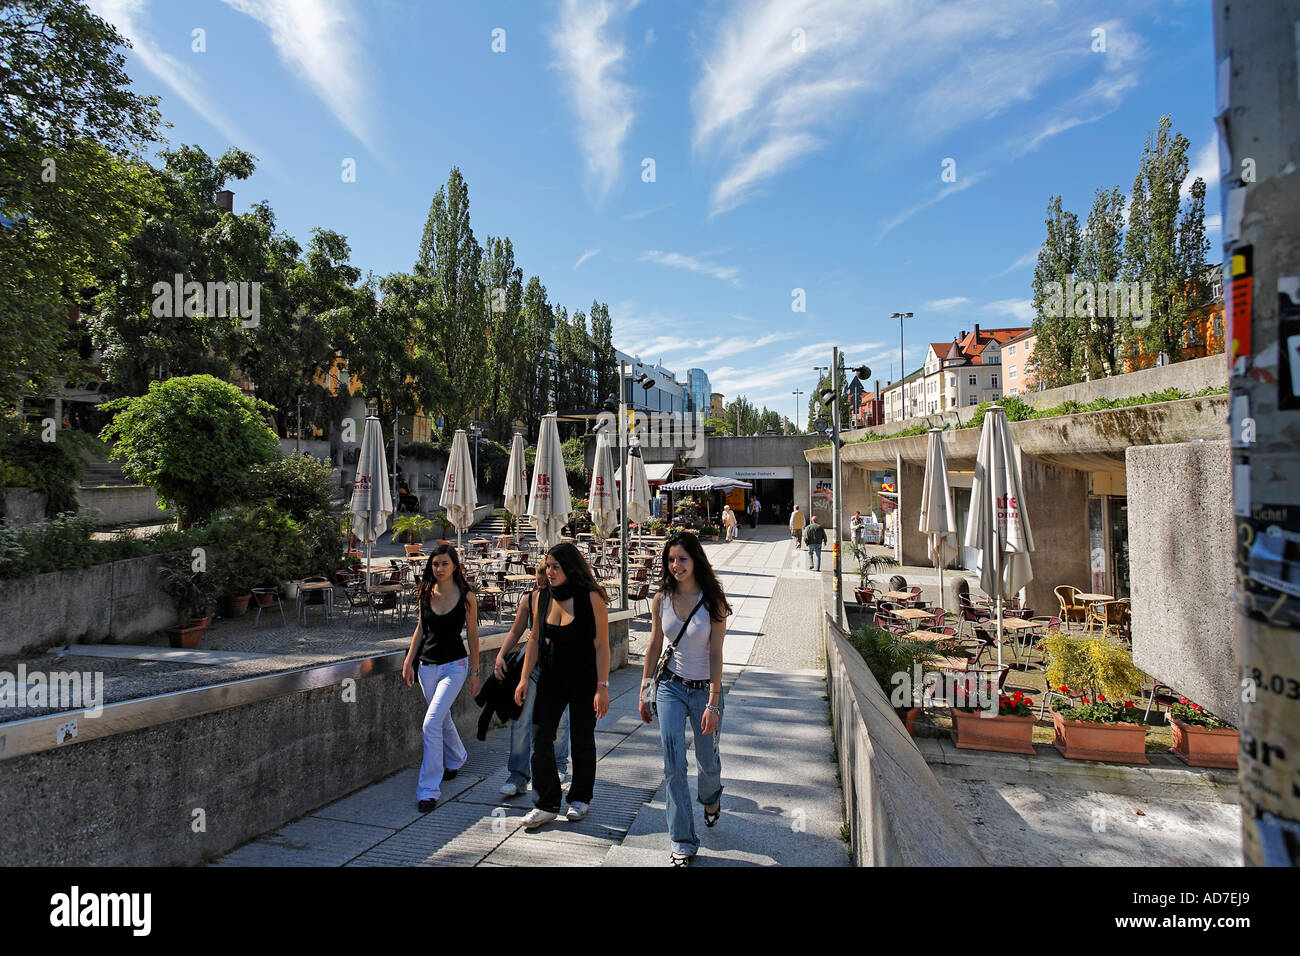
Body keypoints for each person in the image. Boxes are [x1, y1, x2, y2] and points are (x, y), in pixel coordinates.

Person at [639, 531, 730, 866]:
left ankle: (711, 798)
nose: (675, 565)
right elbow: (653, 646)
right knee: (673, 765)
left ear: (696, 561)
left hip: (706, 689)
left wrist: (713, 703)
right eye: (671, 559)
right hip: (671, 688)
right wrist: (646, 691)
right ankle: (682, 842)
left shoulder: (713, 600)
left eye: (682, 559)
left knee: (708, 764)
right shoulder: (661, 597)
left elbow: (717, 654)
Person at [514, 542, 611, 828]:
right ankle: (546, 802)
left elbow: (602, 644)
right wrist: (523, 678)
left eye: (556, 566)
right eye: (548, 566)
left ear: (570, 567)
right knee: (540, 736)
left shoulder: (591, 597)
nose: (550, 571)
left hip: (584, 679)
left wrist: (601, 686)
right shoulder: (542, 597)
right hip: (551, 678)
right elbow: (533, 639)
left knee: (582, 739)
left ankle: (580, 799)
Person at [402, 544, 480, 812]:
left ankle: (428, 790)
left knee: (430, 723)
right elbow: (421, 629)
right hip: (426, 667)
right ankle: (457, 756)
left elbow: (472, 635)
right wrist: (409, 660)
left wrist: (475, 672)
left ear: (455, 566)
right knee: (441, 718)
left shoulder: (467, 597)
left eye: (445, 564)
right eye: (435, 564)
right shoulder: (425, 592)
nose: (439, 569)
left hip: (454, 665)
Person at [494, 566, 571, 796]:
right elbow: (517, 630)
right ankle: (517, 775)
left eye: (544, 583)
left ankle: (559, 764)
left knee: (560, 719)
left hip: (559, 665)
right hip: (533, 662)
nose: (541, 586)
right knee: (521, 718)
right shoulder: (531, 599)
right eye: (538, 582)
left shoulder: (567, 600)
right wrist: (501, 654)